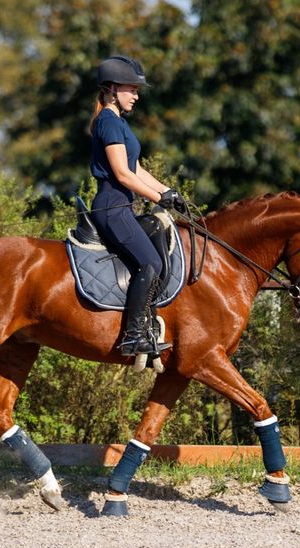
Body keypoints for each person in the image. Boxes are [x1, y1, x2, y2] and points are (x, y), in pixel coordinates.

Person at [89, 55, 187, 357]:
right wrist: (158, 199)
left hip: (122, 207)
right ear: (111, 89)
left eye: (136, 90)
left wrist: (168, 191)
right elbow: (121, 174)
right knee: (152, 263)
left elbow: (137, 168)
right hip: (111, 207)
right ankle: (133, 336)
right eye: (131, 89)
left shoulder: (118, 122)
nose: (136, 95)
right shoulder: (107, 121)